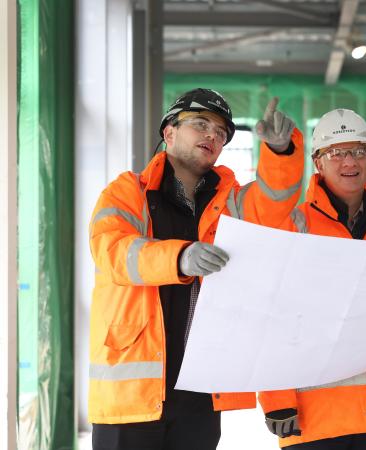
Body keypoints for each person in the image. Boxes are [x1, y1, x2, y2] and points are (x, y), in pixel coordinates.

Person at [88, 88, 304, 450]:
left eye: (220, 133)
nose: (212, 136)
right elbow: (112, 251)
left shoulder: (231, 202)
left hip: (199, 393)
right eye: (200, 125)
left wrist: (281, 153)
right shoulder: (128, 192)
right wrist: (180, 257)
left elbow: (274, 203)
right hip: (131, 396)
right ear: (168, 133)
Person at [258, 109, 366, 450]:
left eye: (359, 150)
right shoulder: (295, 225)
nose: (349, 160)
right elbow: (272, 311)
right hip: (315, 416)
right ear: (318, 162)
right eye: (336, 152)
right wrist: (276, 397)